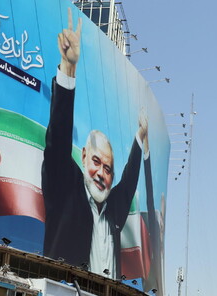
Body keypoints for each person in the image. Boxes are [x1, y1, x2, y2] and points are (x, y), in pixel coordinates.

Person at [41, 8, 151, 279]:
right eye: (96, 162)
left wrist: (141, 137)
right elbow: (58, 137)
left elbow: (129, 180)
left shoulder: (114, 207)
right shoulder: (66, 188)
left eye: (108, 168)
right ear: (83, 156)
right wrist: (68, 69)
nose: (102, 173)